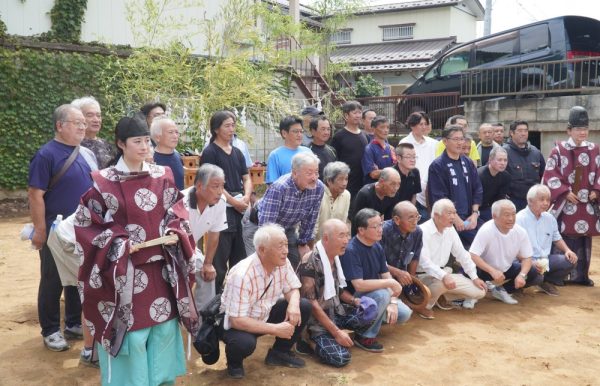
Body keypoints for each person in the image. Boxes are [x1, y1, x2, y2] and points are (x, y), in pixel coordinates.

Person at [75, 116, 198, 386]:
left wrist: (174, 231)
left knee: (164, 331)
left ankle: (163, 381)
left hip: (162, 271)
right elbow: (87, 226)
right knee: (131, 334)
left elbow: (178, 211)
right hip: (124, 276)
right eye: (137, 141)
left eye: (146, 141)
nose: (144, 146)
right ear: (121, 144)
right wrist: (119, 244)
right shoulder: (102, 183)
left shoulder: (162, 176)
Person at [28, 104, 97, 352]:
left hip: (81, 228)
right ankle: (50, 330)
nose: (82, 126)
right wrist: (39, 229)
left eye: (83, 122)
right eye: (76, 122)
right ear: (60, 126)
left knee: (77, 276)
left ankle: (72, 323)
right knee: (52, 279)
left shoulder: (86, 153)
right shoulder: (46, 155)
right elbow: (35, 194)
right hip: (55, 229)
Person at [219, 223, 312, 379]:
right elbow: (236, 320)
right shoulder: (242, 275)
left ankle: (279, 353)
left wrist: (294, 306)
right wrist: (275, 329)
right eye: (280, 246)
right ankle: (234, 363)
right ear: (262, 250)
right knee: (244, 343)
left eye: (286, 245)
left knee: (303, 306)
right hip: (237, 321)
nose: (286, 251)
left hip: (263, 313)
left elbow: (292, 287)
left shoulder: (283, 262)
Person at [297, 219, 375, 367]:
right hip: (316, 323)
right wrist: (336, 332)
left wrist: (355, 301)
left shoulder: (336, 257)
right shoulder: (310, 260)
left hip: (335, 312)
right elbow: (311, 304)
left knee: (369, 311)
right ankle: (309, 339)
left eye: (347, 235)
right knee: (341, 358)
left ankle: (335, 337)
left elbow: (338, 291)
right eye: (341, 236)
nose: (346, 241)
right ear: (326, 238)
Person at [543, 106, 600, 286]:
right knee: (564, 236)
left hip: (587, 203)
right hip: (567, 203)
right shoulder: (558, 149)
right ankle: (560, 276)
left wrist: (596, 191)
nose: (582, 132)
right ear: (569, 130)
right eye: (577, 128)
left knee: (584, 240)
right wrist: (565, 192)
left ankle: (581, 276)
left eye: (585, 128)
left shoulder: (595, 149)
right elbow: (549, 174)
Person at [340, 208, 411, 352]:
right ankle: (365, 335)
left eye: (381, 225)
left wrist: (393, 302)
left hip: (374, 295)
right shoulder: (351, 250)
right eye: (375, 226)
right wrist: (389, 284)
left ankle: (369, 322)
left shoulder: (376, 246)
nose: (380, 230)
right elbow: (358, 285)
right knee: (382, 294)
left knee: (403, 314)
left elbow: (385, 275)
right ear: (361, 230)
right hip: (352, 301)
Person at [243, 152, 324, 268]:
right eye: (309, 173)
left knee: (294, 262)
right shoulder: (280, 188)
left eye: (316, 173)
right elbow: (266, 225)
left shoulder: (318, 188)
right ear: (295, 173)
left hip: (287, 227)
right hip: (258, 227)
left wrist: (303, 243)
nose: (314, 178)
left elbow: (311, 218)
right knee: (262, 266)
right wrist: (273, 249)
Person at [201, 110, 253, 291]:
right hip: (221, 207)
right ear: (216, 129)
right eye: (227, 125)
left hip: (240, 207)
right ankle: (214, 303)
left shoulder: (237, 152)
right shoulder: (210, 152)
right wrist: (233, 201)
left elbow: (246, 177)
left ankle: (238, 296)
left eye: (233, 125)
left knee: (241, 258)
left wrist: (246, 197)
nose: (232, 129)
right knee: (220, 260)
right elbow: (212, 184)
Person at [469, 200, 543, 305]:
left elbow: (527, 257)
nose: (511, 219)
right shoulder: (486, 229)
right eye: (506, 215)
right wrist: (492, 270)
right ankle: (472, 294)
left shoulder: (520, 232)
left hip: (505, 269)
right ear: (494, 216)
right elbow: (473, 255)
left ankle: (501, 290)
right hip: (483, 269)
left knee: (533, 271)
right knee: (469, 267)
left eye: (513, 214)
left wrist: (522, 275)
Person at [418, 199, 486, 311]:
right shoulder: (422, 231)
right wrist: (444, 276)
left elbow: (462, 254)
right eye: (449, 213)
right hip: (423, 276)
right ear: (436, 215)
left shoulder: (450, 229)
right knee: (441, 283)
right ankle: (425, 306)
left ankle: (440, 296)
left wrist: (475, 277)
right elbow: (425, 262)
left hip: (445, 274)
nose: (453, 217)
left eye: (454, 213)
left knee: (480, 292)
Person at [182, 164, 228, 312]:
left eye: (222, 186)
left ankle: (204, 325)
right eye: (215, 186)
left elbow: (215, 234)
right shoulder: (181, 202)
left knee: (208, 275)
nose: (220, 192)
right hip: (171, 251)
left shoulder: (221, 202)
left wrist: (208, 263)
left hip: (191, 249)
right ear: (199, 186)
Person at [516, 185, 577, 296]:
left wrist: (567, 250)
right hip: (524, 261)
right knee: (537, 276)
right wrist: (530, 262)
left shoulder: (550, 218)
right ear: (530, 201)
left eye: (548, 200)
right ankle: (515, 287)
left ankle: (546, 282)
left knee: (570, 260)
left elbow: (557, 238)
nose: (546, 203)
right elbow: (514, 248)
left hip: (545, 260)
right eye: (541, 199)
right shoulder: (519, 219)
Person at [428, 125, 483, 246]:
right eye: (455, 139)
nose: (460, 143)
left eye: (461, 139)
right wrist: (455, 218)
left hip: (470, 216)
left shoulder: (467, 162)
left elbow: (477, 188)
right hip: (449, 219)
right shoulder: (437, 166)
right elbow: (439, 197)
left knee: (487, 238)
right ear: (445, 141)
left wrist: (475, 213)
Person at [380, 202, 433, 319]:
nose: (415, 221)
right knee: (402, 313)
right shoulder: (382, 231)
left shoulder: (417, 232)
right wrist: (397, 273)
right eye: (410, 218)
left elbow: (415, 257)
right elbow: (376, 263)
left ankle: (409, 301)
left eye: (417, 217)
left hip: (402, 276)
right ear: (397, 220)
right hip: (381, 277)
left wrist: (411, 279)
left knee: (423, 293)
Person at [399, 111, 438, 223]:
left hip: (430, 187)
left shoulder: (433, 143)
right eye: (420, 124)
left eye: (425, 124)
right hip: (412, 188)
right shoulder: (405, 142)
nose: (424, 127)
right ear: (412, 125)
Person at [331, 101, 369, 201]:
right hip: (346, 183)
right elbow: (334, 160)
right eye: (354, 112)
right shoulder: (339, 136)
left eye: (360, 112)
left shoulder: (365, 136)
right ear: (346, 115)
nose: (358, 115)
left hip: (362, 182)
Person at [503, 120, 545, 211]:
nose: (523, 134)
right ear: (511, 133)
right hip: (512, 202)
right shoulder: (503, 152)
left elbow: (544, 176)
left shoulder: (536, 152)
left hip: (534, 202)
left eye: (525, 131)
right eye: (520, 131)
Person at [72, 96, 115, 169]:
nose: (96, 120)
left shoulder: (106, 145)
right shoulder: (71, 145)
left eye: (98, 115)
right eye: (90, 115)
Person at [266, 116, 311, 184]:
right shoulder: (275, 155)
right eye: (295, 131)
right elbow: (272, 185)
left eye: (301, 131)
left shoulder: (308, 152)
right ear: (284, 133)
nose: (299, 135)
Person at [314, 161, 351, 240]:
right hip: (316, 243)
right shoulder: (318, 195)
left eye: (346, 179)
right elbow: (313, 227)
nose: (344, 183)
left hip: (335, 244)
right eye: (340, 179)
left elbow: (343, 221)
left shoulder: (346, 195)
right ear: (329, 181)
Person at [150, 116, 184, 190]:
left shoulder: (178, 156)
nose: (175, 136)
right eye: (170, 132)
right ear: (157, 137)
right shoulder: (151, 160)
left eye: (176, 132)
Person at [477, 147, 511, 222]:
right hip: (477, 209)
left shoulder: (506, 176)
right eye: (499, 160)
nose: (503, 163)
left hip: (492, 208)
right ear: (490, 160)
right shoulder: (479, 175)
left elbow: (500, 198)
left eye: (505, 160)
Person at [362, 115, 397, 184]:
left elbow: (397, 165)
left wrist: (380, 171)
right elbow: (373, 174)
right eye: (382, 127)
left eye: (387, 127)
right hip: (375, 189)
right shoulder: (369, 149)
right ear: (373, 129)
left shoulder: (391, 148)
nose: (386, 130)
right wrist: (393, 170)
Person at [389, 143, 421, 214]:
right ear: (398, 158)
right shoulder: (391, 174)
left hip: (407, 212)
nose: (412, 160)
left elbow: (414, 195)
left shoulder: (415, 172)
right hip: (391, 213)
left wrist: (411, 212)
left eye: (414, 157)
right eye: (408, 157)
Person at [308, 116, 337, 180]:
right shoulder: (307, 151)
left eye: (328, 129)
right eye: (323, 129)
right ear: (313, 131)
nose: (326, 132)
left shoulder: (332, 150)